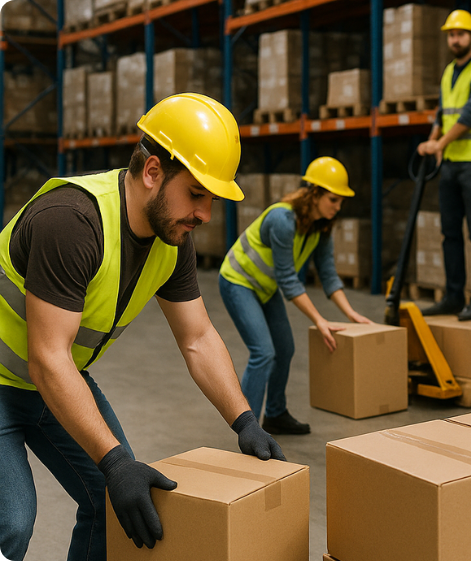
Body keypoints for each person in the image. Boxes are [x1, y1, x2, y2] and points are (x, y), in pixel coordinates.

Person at [0, 93, 284, 561]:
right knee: (11, 522)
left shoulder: (172, 241)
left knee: (118, 505)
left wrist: (245, 420)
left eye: (212, 199)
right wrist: (114, 462)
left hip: (53, 381)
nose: (206, 215)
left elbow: (197, 338)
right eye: (196, 194)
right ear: (152, 171)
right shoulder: (72, 221)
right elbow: (48, 357)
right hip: (16, 378)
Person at [219, 156, 371, 436]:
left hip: (265, 287)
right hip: (238, 281)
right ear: (314, 194)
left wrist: (351, 313)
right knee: (263, 352)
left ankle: (275, 414)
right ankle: (248, 430)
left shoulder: (321, 226)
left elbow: (328, 274)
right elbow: (289, 280)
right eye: (333, 200)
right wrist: (319, 320)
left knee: (285, 349)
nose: (338, 207)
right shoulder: (282, 220)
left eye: (341, 202)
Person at [417, 9, 471, 321]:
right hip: (449, 163)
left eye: (461, 34)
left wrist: (441, 143)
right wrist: (432, 140)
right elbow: (443, 113)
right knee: (449, 232)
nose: (455, 39)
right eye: (451, 35)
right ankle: (453, 296)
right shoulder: (448, 71)